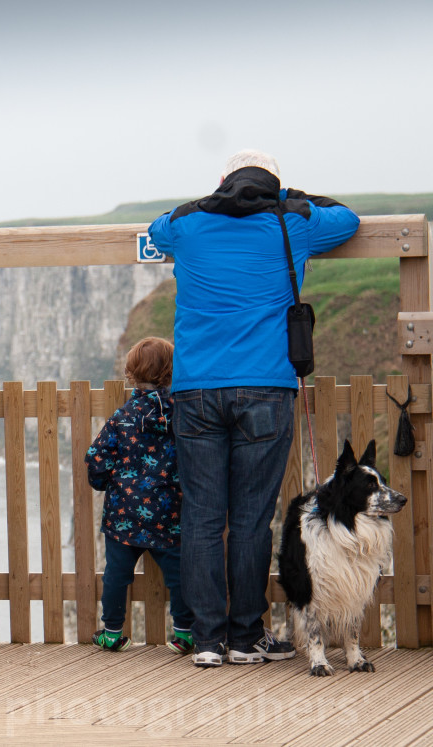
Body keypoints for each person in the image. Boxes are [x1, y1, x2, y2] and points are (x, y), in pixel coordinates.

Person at [148, 150, 359, 668]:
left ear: (222, 182)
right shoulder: (291, 224)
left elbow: (158, 227)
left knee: (200, 516)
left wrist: (218, 199)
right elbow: (348, 219)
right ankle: (245, 637)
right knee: (249, 519)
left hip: (196, 388)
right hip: (265, 387)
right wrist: (286, 198)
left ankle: (205, 641)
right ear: (274, 186)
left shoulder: (188, 225)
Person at [85, 337, 193, 654]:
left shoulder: (123, 417)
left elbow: (96, 458)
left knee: (117, 576)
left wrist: (104, 483)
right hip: (169, 512)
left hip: (123, 514)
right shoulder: (182, 416)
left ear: (131, 374)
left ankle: (113, 632)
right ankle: (185, 633)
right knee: (178, 576)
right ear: (172, 372)